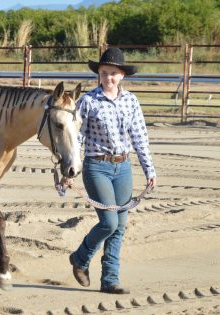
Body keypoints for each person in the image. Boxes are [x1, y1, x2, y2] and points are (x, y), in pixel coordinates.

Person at [68, 47, 157, 294]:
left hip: (124, 167)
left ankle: (110, 280)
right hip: (97, 166)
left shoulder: (131, 101)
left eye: (113, 73)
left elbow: (140, 137)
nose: (108, 77)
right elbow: (77, 138)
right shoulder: (87, 101)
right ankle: (80, 258)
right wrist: (70, 169)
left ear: (122, 76)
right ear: (99, 74)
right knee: (108, 222)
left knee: (120, 226)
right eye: (104, 72)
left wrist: (149, 169)